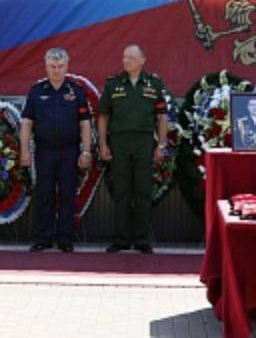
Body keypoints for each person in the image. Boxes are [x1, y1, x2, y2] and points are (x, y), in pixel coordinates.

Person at [20, 48, 92, 253]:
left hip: (69, 152)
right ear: (46, 66)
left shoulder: (76, 91)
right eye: (52, 66)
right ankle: (44, 238)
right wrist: (24, 150)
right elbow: (26, 123)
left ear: (67, 66)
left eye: (60, 66)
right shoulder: (36, 91)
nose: (56, 70)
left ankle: (65, 238)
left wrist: (86, 151)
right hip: (44, 151)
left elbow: (85, 124)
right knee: (44, 194)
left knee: (68, 195)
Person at [98, 44, 167, 254]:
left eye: (130, 57)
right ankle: (121, 239)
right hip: (118, 142)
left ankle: (142, 239)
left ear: (142, 60)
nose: (125, 61)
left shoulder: (153, 84)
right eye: (124, 57)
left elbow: (162, 118)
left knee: (143, 191)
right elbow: (103, 116)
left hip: (144, 142)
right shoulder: (113, 84)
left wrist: (161, 145)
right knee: (121, 192)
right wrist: (102, 143)